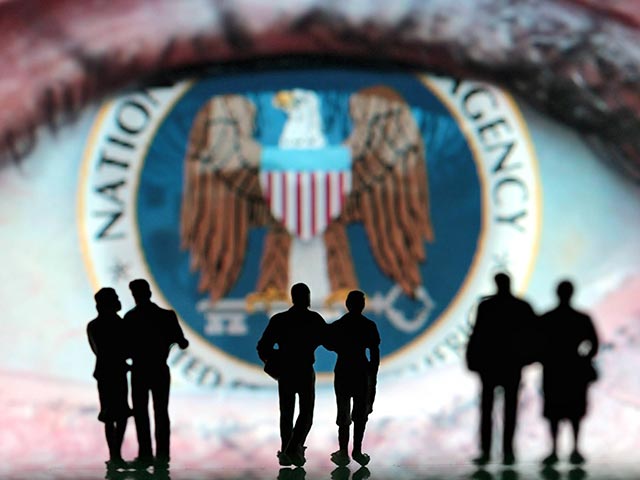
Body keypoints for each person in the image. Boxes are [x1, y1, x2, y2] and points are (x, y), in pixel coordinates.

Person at [466, 272, 536, 465]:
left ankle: (488, 452)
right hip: (510, 365)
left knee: (489, 410)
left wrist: (472, 359)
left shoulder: (487, 306)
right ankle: (507, 452)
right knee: (508, 410)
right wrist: (528, 358)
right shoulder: (520, 306)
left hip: (492, 365)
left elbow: (477, 334)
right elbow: (534, 334)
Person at [256, 283, 327, 467]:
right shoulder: (314, 319)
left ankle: (288, 450)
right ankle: (293, 449)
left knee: (286, 414)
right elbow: (330, 341)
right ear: (307, 297)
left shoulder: (280, 320)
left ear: (293, 297)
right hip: (304, 370)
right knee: (306, 413)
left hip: (286, 372)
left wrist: (274, 364)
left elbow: (263, 347)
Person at [124, 279, 189, 467]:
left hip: (139, 370)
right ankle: (162, 454)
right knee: (161, 412)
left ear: (135, 295)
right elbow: (182, 342)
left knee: (141, 413)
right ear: (149, 293)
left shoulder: (131, 318)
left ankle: (145, 454)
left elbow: (124, 349)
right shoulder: (166, 316)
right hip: (159, 369)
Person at [540, 280, 599, 466]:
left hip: (554, 369)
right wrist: (583, 357)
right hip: (574, 369)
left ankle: (554, 450)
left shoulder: (548, 318)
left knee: (555, 412)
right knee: (574, 412)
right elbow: (594, 343)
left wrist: (545, 357)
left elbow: (536, 343)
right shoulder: (581, 318)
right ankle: (574, 449)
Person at [325, 290, 380, 467]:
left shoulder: (339, 325)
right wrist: (372, 372)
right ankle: (356, 450)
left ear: (347, 305)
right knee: (360, 414)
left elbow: (328, 342)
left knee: (344, 413)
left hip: (344, 370)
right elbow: (375, 352)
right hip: (361, 371)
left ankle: (343, 452)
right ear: (362, 305)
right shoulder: (368, 325)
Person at [87, 287, 132, 469]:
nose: (118, 301)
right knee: (118, 413)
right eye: (115, 298)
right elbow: (125, 349)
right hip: (115, 372)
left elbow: (98, 350)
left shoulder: (94, 326)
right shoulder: (118, 324)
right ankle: (115, 454)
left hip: (106, 372)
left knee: (111, 414)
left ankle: (115, 454)